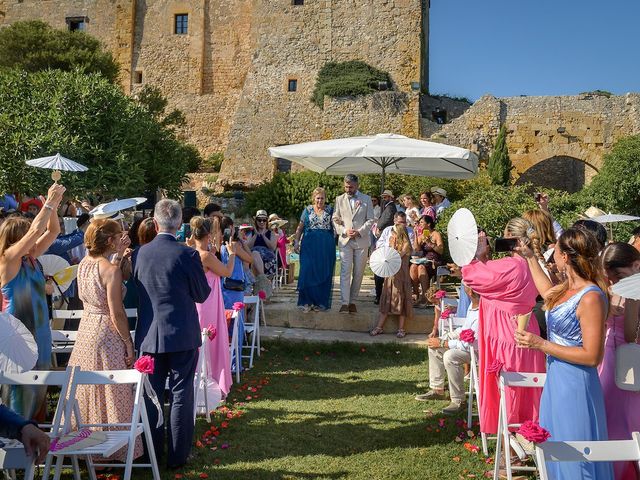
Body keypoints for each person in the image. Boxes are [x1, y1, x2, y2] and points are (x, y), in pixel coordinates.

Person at [515, 228, 613, 480]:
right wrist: (529, 257)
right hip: (557, 380)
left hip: (576, 385)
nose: (553, 255)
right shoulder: (566, 288)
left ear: (565, 257)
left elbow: (592, 356)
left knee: (575, 455)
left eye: (556, 250)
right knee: (555, 448)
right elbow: (548, 294)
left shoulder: (591, 297)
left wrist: (540, 344)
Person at [133, 199, 211, 469]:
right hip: (181, 333)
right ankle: (177, 457)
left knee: (151, 396)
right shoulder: (187, 254)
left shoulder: (139, 254)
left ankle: (152, 452)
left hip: (149, 335)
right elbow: (202, 293)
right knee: (180, 394)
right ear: (180, 225)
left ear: (155, 223)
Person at [459, 218, 546, 437]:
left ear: (511, 238)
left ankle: (510, 451)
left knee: (510, 392)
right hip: (529, 330)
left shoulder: (510, 265)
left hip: (506, 334)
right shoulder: (533, 265)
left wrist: (478, 253)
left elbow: (473, 277)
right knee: (529, 390)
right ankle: (530, 437)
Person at [67, 219, 142, 461]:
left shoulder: (83, 265)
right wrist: (128, 342)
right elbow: (116, 312)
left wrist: (118, 256)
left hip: (86, 329)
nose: (122, 237)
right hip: (106, 332)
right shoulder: (110, 270)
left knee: (89, 387)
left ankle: (87, 448)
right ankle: (111, 452)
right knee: (110, 387)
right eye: (118, 235)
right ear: (109, 240)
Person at [0, 182, 65, 419]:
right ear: (17, 238)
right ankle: (14, 447)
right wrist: (47, 203)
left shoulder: (31, 258)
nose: (33, 240)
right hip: (18, 335)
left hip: (40, 333)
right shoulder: (8, 260)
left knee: (38, 393)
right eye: (26, 235)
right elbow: (36, 231)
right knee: (18, 395)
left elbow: (53, 232)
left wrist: (55, 206)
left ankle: (35, 445)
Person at [599, 243, 640, 480]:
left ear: (636, 266)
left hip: (630, 363)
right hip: (608, 358)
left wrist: (632, 296)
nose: (615, 283)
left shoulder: (634, 289)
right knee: (609, 419)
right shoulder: (615, 286)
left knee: (626, 421)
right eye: (611, 279)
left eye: (620, 277)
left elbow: (630, 334)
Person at [416, 285, 480, 415]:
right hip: (469, 346)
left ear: (471, 291)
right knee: (434, 347)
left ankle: (458, 401)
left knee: (450, 356)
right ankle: (437, 389)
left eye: (465, 287)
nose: (463, 289)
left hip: (479, 352)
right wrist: (445, 337)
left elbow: (469, 344)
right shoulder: (472, 306)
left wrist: (445, 342)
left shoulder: (482, 311)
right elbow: (464, 329)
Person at [190, 216, 235, 398]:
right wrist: (231, 254)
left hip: (198, 304)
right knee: (212, 342)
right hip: (209, 304)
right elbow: (227, 272)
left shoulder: (191, 253)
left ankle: (201, 383)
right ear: (208, 235)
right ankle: (214, 385)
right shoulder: (206, 256)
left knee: (201, 343)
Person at [332, 174, 374, 314]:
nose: (348, 189)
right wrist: (344, 230)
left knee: (358, 272)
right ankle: (344, 302)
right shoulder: (339, 199)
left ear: (357, 186)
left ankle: (353, 301)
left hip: (361, 241)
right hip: (345, 240)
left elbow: (370, 219)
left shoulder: (366, 199)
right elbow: (335, 218)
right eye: (346, 186)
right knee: (345, 271)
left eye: (350, 187)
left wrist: (359, 231)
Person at [294, 187, 335, 313]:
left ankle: (320, 302)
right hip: (309, 245)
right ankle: (306, 301)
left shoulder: (330, 210)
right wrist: (296, 242)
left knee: (323, 272)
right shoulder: (307, 210)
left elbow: (336, 227)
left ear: (325, 198)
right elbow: (300, 228)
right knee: (307, 271)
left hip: (325, 246)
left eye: (322, 198)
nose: (320, 201)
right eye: (318, 198)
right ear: (314, 198)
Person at [369, 220, 413, 338]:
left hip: (401, 276)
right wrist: (391, 245)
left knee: (401, 298)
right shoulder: (391, 243)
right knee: (387, 299)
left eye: (393, 233)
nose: (391, 236)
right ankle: (379, 326)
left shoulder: (406, 245)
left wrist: (393, 245)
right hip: (391, 276)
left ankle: (401, 328)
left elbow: (396, 257)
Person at [409, 215, 444, 306]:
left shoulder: (436, 234)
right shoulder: (422, 235)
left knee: (420, 267)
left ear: (428, 224)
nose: (420, 224)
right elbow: (416, 249)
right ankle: (416, 293)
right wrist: (416, 234)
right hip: (424, 260)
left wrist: (430, 243)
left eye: (421, 222)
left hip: (434, 261)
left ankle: (426, 297)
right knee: (413, 267)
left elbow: (440, 250)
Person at [373, 190, 396, 305]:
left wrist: (379, 227)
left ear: (391, 197)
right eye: (383, 197)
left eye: (386, 197)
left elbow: (386, 219)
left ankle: (383, 296)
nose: (384, 198)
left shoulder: (391, 207)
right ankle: (379, 295)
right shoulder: (387, 207)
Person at [246, 210, 278, 277]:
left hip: (268, 261)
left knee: (254, 257)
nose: (262, 222)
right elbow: (247, 247)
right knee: (255, 254)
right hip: (253, 260)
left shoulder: (271, 233)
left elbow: (272, 247)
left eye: (264, 220)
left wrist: (264, 236)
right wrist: (255, 235)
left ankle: (262, 279)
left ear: (267, 221)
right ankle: (263, 278)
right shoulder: (251, 233)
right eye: (259, 220)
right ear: (256, 221)